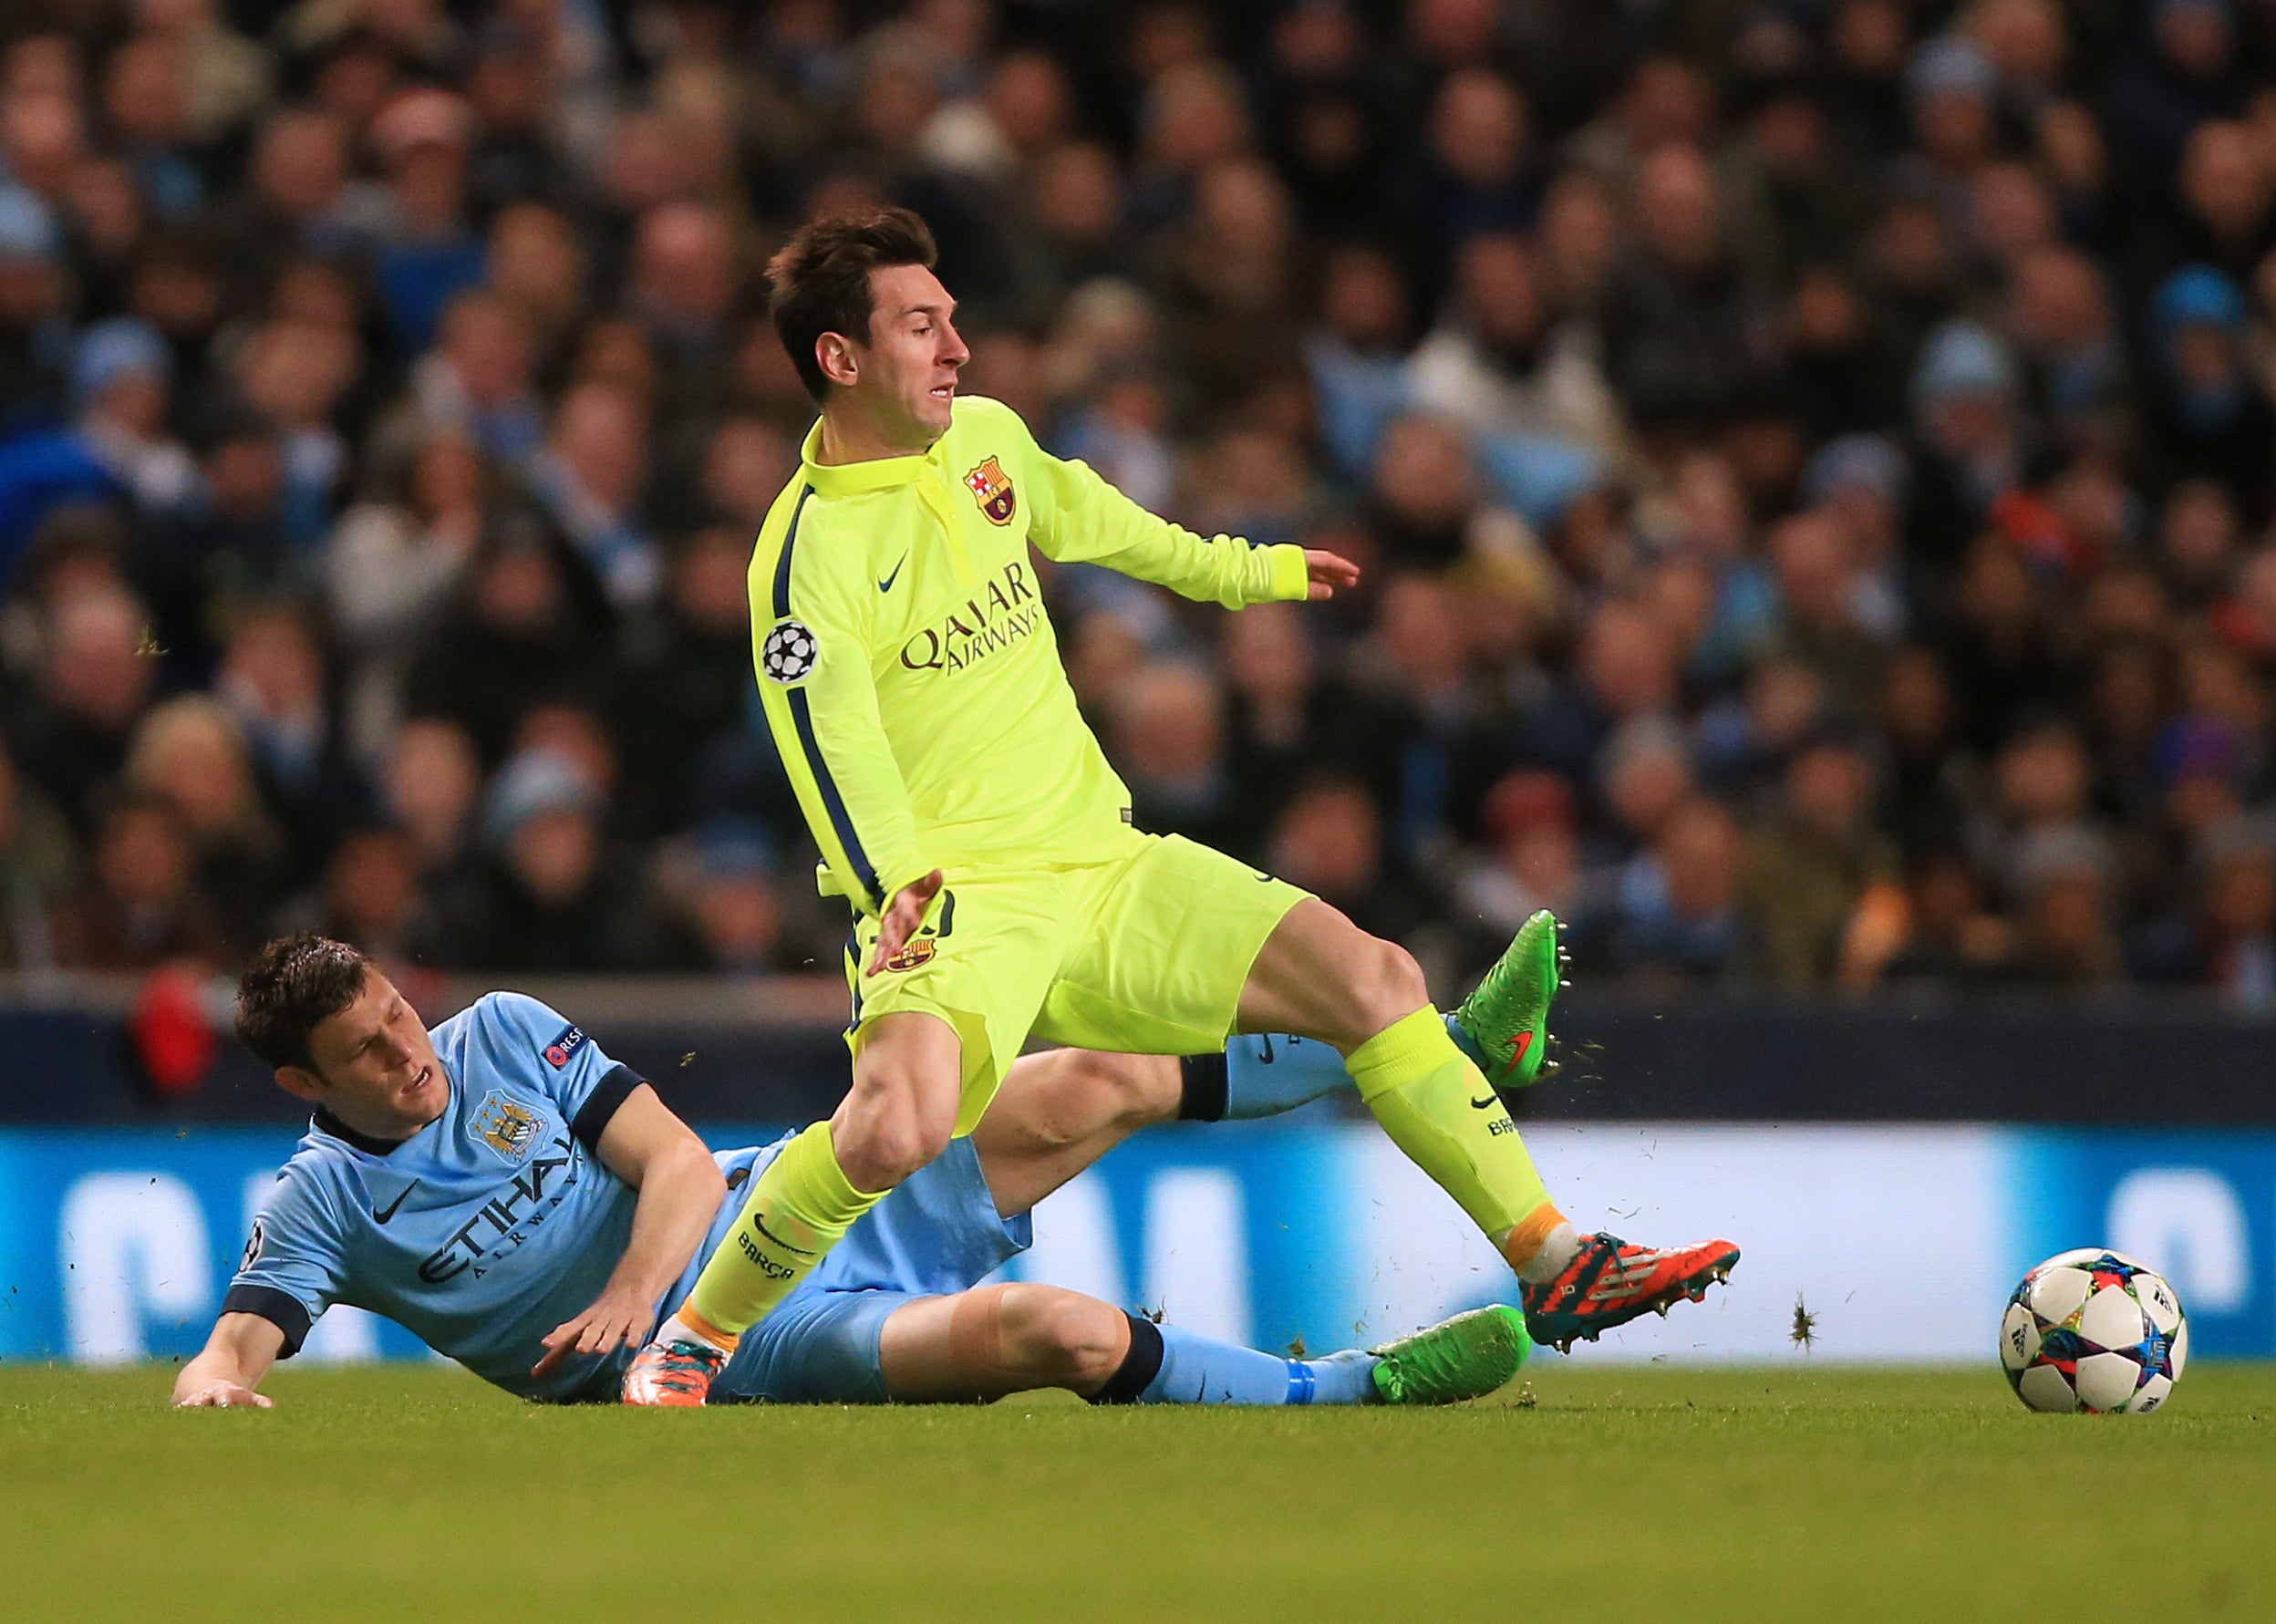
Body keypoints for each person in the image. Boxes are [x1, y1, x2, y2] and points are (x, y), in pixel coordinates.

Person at [643, 206, 1735, 1402]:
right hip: (956, 901)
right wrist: (890, 880)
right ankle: (696, 1335)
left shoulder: (988, 442)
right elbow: (824, 737)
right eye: (922, 325)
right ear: (840, 360)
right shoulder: (803, 555)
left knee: (1374, 978)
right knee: (891, 1132)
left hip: (1106, 866)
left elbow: (1103, 522)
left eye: (953, 318)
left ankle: (1555, 1258)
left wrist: (1252, 569)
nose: (959, 346)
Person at [171, 935, 1529, 1411]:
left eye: (401, 1012)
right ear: (305, 1085)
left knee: (1089, 1076)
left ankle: (1431, 1052)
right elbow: (239, 1338)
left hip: (789, 1200)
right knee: (1058, 1328)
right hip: (755, 1345)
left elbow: (682, 1167)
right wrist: (218, 1382)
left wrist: (642, 1291)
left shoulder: (502, 1032)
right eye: (370, 1049)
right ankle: (1354, 1387)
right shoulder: (322, 1203)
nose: (413, 1052)